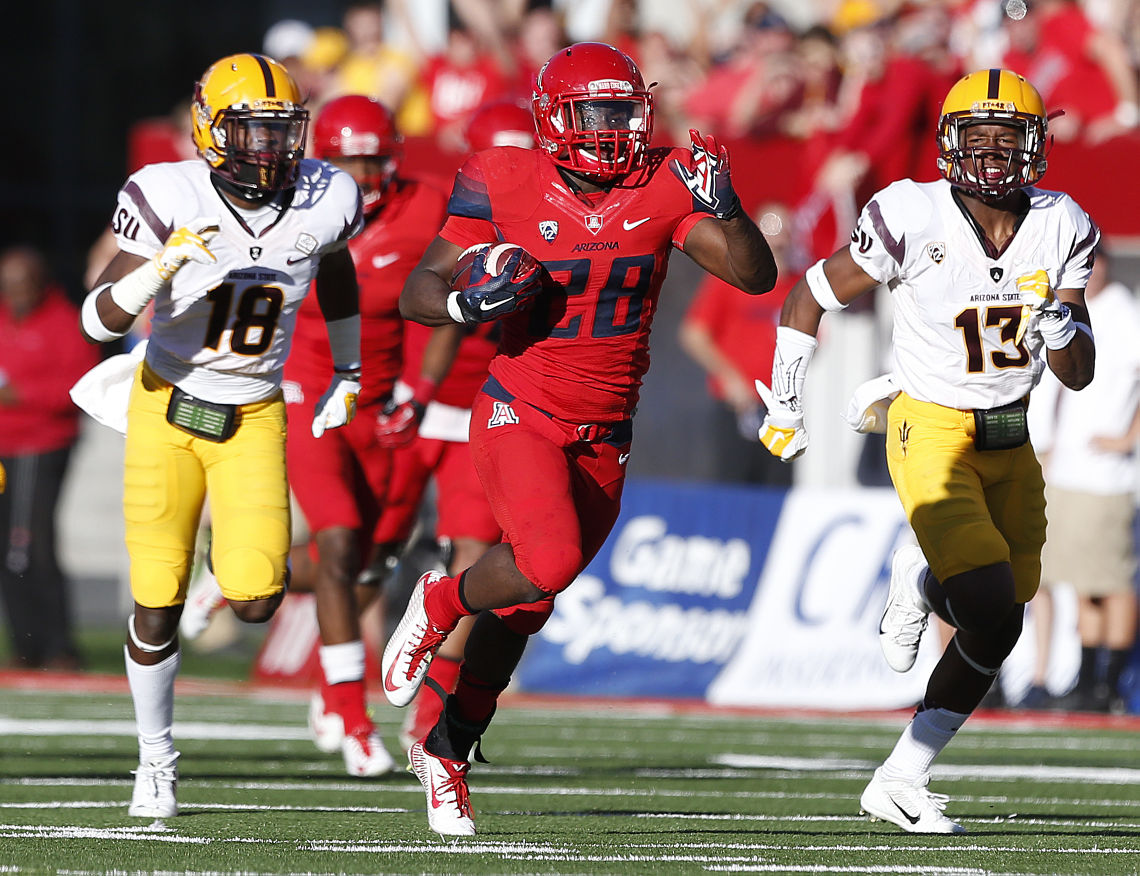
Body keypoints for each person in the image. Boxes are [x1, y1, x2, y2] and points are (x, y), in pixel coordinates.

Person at [384, 41, 778, 837]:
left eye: (624, 112)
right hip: (519, 407)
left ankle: (451, 750)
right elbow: (419, 288)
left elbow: (754, 277)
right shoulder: (501, 178)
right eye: (595, 113)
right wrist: (464, 306)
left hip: (607, 428)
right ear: (553, 119)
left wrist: (730, 208)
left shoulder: (667, 180)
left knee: (530, 607)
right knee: (548, 558)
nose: (612, 130)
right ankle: (439, 599)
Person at [756, 68, 1097, 834]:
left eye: (1006, 141)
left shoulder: (1063, 222)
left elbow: (1080, 375)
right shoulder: (911, 213)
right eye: (975, 141)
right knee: (983, 597)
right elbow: (808, 292)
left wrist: (1065, 334)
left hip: (1013, 433)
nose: (991, 157)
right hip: (930, 424)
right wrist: (786, 396)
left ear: (1034, 148)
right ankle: (927, 582)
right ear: (948, 146)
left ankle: (902, 773)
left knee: (1002, 620)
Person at [79, 53, 365, 819]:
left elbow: (335, 268)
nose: (270, 151)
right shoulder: (167, 193)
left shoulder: (327, 195)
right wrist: (155, 272)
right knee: (155, 600)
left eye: (282, 133)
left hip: (254, 412)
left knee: (255, 601)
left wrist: (348, 365)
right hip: (166, 407)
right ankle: (156, 761)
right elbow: (96, 318)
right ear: (211, 131)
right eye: (252, 133)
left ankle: (225, 568)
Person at [386, 97, 536, 752]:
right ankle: (346, 691)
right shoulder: (454, 214)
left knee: (480, 557)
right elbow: (436, 311)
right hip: (425, 400)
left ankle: (431, 718)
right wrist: (414, 392)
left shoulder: (560, 209)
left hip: (499, 405)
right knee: (370, 547)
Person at [1027, 246, 1140, 714]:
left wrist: (1128, 437)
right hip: (1070, 470)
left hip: (1107, 476)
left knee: (1112, 580)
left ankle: (1109, 682)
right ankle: (1087, 675)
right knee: (1080, 580)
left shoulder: (1126, 315)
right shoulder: (1074, 314)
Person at [0, 246, 99, 669]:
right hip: (4, 449)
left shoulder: (64, 323)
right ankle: (25, 645)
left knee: (30, 546)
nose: (13, 294)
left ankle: (58, 646)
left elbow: (76, 389)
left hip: (40, 446)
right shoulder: (4, 321)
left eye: (20, 284)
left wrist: (18, 396)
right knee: (9, 547)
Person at [678, 203, 798, 486]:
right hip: (738, 405)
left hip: (781, 409)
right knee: (733, 485)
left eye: (783, 232)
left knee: (778, 487)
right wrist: (730, 377)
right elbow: (694, 333)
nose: (777, 240)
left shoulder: (799, 285)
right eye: (770, 231)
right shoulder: (730, 280)